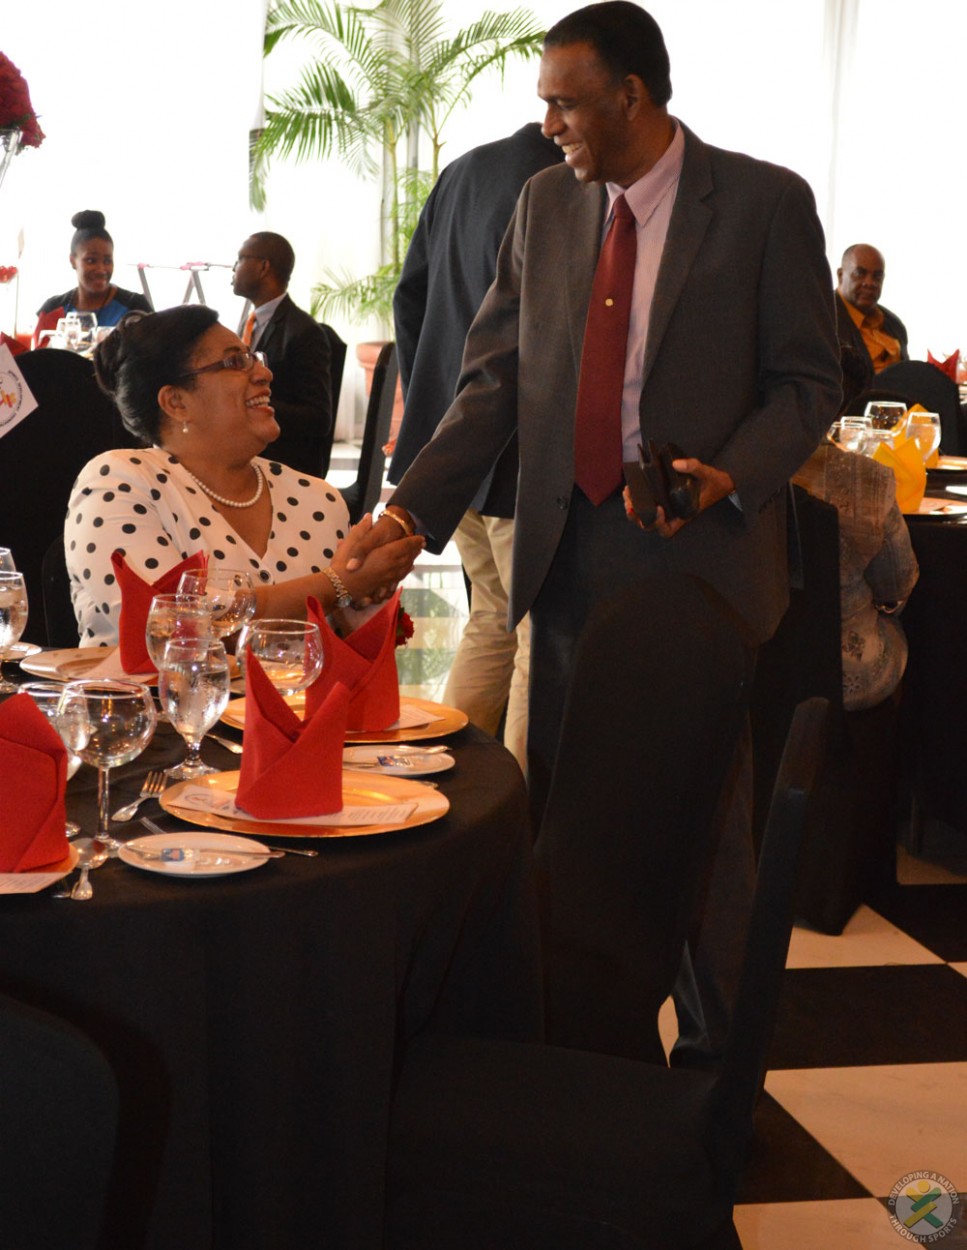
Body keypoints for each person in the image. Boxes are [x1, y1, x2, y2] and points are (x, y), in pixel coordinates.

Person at [356, 2, 842, 1066]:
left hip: (695, 557)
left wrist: (728, 477)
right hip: (564, 550)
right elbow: (491, 382)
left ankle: (722, 1072)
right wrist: (407, 512)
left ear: (633, 97)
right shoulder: (543, 203)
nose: (547, 122)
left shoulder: (762, 203)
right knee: (569, 817)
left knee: (700, 825)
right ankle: (585, 1044)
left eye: (565, 101)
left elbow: (808, 381)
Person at [65, 306, 422, 646]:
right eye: (235, 362)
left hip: (295, 709)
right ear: (176, 402)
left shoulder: (318, 499)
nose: (264, 374)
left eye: (254, 358)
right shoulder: (119, 481)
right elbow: (172, 629)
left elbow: (344, 661)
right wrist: (339, 585)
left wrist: (364, 608)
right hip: (155, 709)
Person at [390, 123, 563, 772]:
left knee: (493, 615)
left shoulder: (462, 171)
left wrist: (432, 397)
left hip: (446, 451)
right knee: (533, 630)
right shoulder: (566, 184)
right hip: (522, 447)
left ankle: (450, 775)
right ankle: (518, 806)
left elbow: (409, 298)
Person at [231, 232, 335, 477]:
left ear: (263, 266)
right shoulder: (249, 324)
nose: (234, 268)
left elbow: (318, 419)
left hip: (283, 465)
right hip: (250, 456)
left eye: (240, 259)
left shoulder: (303, 331)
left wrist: (253, 405)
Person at [33, 211, 152, 348]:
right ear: (73, 261)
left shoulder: (135, 307)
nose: (101, 269)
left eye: (107, 261)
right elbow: (37, 360)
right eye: (91, 260)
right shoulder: (53, 309)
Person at [835, 243, 908, 375]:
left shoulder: (894, 324)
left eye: (877, 276)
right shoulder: (824, 320)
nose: (869, 283)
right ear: (841, 275)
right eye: (859, 273)